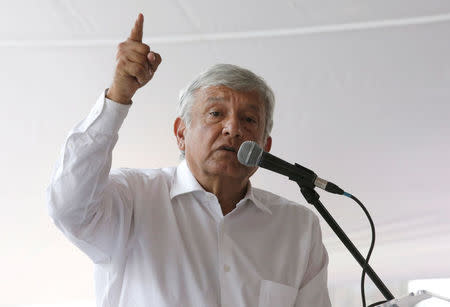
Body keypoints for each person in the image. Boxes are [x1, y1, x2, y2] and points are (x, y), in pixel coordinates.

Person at [46, 13, 331, 307]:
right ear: (181, 133)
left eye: (248, 119)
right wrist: (117, 97)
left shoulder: (298, 227)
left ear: (264, 147)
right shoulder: (132, 199)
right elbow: (67, 206)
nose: (233, 128)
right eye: (215, 114)